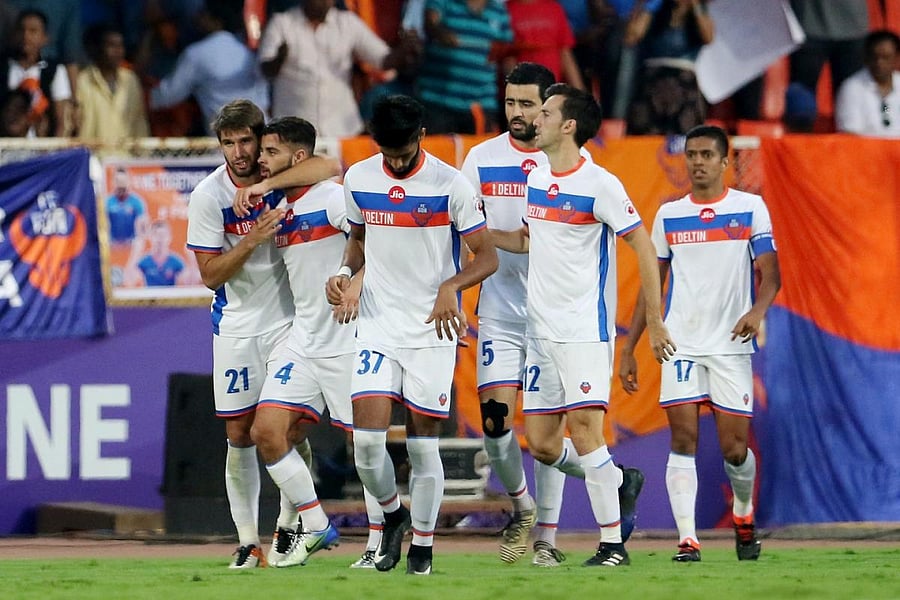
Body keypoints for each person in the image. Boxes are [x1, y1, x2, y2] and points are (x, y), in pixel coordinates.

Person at [491, 83, 674, 567]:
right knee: (546, 445)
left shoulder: (601, 185)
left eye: (545, 112)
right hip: (539, 332)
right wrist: (477, 234)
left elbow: (645, 250)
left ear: (568, 126)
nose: (535, 118)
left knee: (587, 431)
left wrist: (653, 321)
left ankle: (612, 545)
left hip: (582, 331)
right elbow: (532, 240)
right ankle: (619, 480)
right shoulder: (535, 176)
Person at [326, 95, 498, 575]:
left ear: (421, 135)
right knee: (366, 444)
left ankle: (422, 547)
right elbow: (358, 239)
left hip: (431, 331)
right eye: (388, 153)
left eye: (403, 152)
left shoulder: (451, 184)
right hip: (378, 324)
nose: (396, 162)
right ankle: (394, 515)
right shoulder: (359, 177)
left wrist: (451, 285)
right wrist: (344, 272)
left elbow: (486, 256)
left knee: (424, 447)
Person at [461, 61, 611, 567]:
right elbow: (461, 235)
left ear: (550, 109)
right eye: (510, 102)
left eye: (528, 104)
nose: (518, 113)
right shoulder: (480, 159)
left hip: (558, 320)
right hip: (502, 312)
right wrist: (456, 298)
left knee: (550, 428)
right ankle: (524, 506)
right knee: (495, 422)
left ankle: (546, 539)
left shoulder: (572, 166)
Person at [186, 99, 342, 569]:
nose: (237, 152)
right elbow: (211, 275)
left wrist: (269, 184)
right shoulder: (208, 196)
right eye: (227, 143)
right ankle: (247, 541)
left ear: (261, 140)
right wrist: (253, 237)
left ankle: (292, 528)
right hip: (235, 326)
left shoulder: (282, 178)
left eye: (245, 141)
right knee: (238, 435)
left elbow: (331, 164)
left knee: (285, 426)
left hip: (288, 324)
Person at [618, 124, 781, 563]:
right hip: (681, 343)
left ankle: (744, 516)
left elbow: (771, 271)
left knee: (734, 449)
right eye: (692, 154)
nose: (698, 162)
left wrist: (757, 311)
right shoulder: (670, 214)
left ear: (726, 162)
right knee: (684, 438)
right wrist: (630, 347)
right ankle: (687, 540)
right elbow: (654, 285)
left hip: (730, 345)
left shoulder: (750, 208)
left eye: (708, 154)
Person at [247, 116, 386, 569]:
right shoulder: (280, 210)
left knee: (364, 450)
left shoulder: (331, 199)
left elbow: (377, 246)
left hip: (348, 340)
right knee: (265, 432)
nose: (261, 160)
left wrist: (356, 282)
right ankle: (314, 521)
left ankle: (378, 542)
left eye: (271, 151)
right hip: (303, 341)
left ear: (297, 156)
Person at [258, 0, 419, 138]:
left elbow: (382, 60)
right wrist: (279, 59)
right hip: (293, 133)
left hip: (341, 131)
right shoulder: (282, 24)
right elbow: (265, 70)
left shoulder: (347, 23)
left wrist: (405, 50)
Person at [150, 0, 269, 136]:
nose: (198, 18)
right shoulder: (248, 50)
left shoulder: (196, 53)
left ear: (215, 20)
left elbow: (168, 95)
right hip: (260, 136)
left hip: (225, 144)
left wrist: (140, 95)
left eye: (203, 14)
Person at [417, 0, 513, 134]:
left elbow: (506, 54)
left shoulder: (499, 11)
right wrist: (440, 32)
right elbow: (430, 23)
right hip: (437, 104)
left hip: (481, 107)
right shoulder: (443, 2)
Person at [625, 0, 714, 135]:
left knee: (684, 138)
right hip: (652, 85)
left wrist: (696, 6)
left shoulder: (697, 14)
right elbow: (631, 37)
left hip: (683, 87)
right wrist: (650, 7)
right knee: (644, 137)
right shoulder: (655, 11)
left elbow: (708, 37)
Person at [2, 8, 72, 136]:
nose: (25, 36)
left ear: (45, 38)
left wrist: (52, 152)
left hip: (42, 148)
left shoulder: (55, 71)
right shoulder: (3, 67)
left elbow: (61, 122)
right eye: (21, 30)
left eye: (33, 31)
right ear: (13, 34)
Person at [76, 22, 150, 142]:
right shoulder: (83, 80)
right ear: (99, 49)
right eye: (111, 45)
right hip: (94, 157)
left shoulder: (131, 79)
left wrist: (143, 156)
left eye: (120, 46)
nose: (118, 51)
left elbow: (139, 121)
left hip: (126, 158)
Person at [503, 0, 585, 91]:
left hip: (552, 88)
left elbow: (565, 53)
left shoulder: (554, 8)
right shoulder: (505, 10)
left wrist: (580, 91)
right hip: (523, 90)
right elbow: (507, 57)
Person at [835, 29, 900, 138]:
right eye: (874, 57)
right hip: (866, 151)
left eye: (886, 57)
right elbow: (850, 133)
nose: (879, 63)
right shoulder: (852, 87)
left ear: (897, 58)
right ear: (866, 57)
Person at [124, 219, 196, 287]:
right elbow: (129, 280)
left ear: (169, 237)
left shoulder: (176, 261)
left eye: (163, 235)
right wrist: (135, 253)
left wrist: (191, 258)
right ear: (150, 237)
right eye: (156, 235)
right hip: (150, 298)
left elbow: (191, 282)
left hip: (169, 298)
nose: (160, 239)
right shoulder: (144, 261)